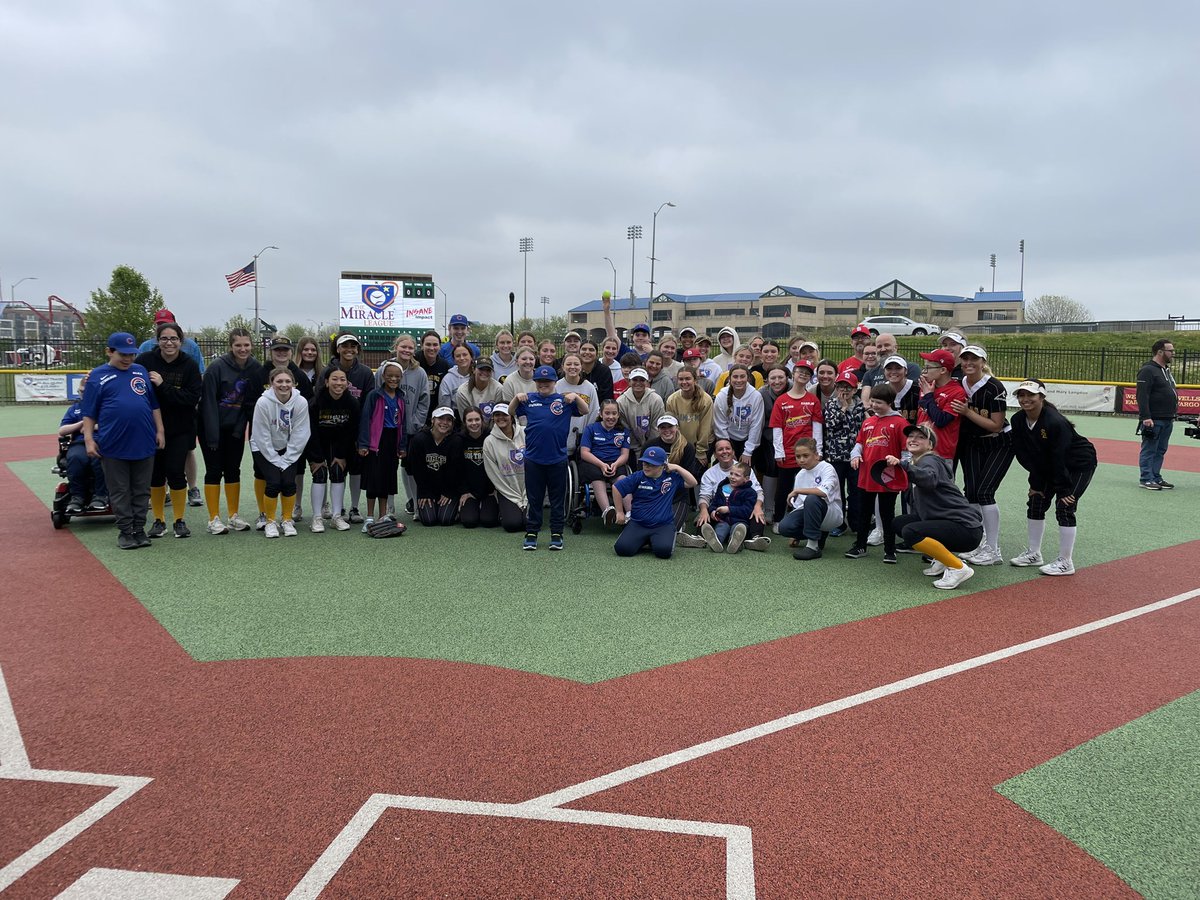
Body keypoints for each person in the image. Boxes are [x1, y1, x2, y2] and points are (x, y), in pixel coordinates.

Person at [81, 332, 165, 549]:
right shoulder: (97, 376)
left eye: (132, 354)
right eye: (123, 354)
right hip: (113, 443)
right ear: (109, 352)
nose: (128, 359)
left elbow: (153, 405)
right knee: (119, 491)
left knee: (141, 489)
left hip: (144, 441)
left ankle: (139, 529)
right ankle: (126, 532)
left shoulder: (140, 371)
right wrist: (89, 440)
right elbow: (89, 413)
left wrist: (160, 431)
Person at [1009, 379, 1098, 576]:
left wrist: (1064, 489)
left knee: (1065, 506)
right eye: (1021, 395)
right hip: (1051, 465)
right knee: (1036, 501)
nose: (1025, 399)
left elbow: (1059, 457)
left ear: (1041, 397)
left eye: (1030, 395)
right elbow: (1024, 454)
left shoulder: (1055, 421)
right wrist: (1036, 483)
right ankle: (1034, 553)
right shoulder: (1017, 420)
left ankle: (1066, 562)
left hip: (1078, 463)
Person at [893, 424, 984, 589]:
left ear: (930, 445)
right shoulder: (917, 463)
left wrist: (904, 466)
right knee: (900, 523)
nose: (914, 439)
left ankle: (957, 567)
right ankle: (942, 560)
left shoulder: (929, 460)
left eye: (921, 437)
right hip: (953, 523)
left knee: (910, 531)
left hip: (966, 529)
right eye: (911, 436)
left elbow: (929, 479)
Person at [136, 321, 202, 539]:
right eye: (164, 338)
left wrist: (164, 386)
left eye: (173, 338)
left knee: (175, 471)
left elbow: (191, 398)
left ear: (181, 341)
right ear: (158, 341)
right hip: (151, 427)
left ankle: (179, 520)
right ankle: (158, 520)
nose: (169, 343)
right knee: (156, 475)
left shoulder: (189, 365)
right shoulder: (145, 361)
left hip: (180, 427)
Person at [950, 346, 1015, 567]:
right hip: (973, 443)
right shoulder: (959, 384)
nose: (969, 363)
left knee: (985, 492)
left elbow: (996, 425)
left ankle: (993, 549)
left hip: (998, 443)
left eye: (974, 359)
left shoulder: (993, 386)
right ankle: (979, 542)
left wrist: (968, 412)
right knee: (972, 492)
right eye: (965, 359)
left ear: (983, 361)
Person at [513, 366, 589, 550]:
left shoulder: (563, 400)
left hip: (557, 458)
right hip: (534, 458)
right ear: (536, 383)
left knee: (557, 499)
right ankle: (532, 533)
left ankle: (557, 533)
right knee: (535, 498)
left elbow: (585, 410)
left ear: (555, 382)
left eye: (547, 382)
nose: (543, 385)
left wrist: (576, 396)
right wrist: (516, 398)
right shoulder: (529, 400)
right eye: (539, 382)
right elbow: (510, 412)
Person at [198, 328, 264, 534]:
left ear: (251, 345)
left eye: (246, 345)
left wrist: (239, 428)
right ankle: (213, 519)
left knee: (233, 470)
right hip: (212, 427)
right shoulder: (216, 368)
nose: (243, 349)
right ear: (231, 346)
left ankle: (233, 515)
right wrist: (212, 435)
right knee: (214, 470)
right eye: (238, 345)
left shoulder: (255, 368)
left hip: (236, 428)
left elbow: (251, 403)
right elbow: (207, 403)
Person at [844, 382, 909, 563]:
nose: (874, 405)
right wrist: (855, 456)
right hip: (866, 476)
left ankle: (889, 550)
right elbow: (859, 444)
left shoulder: (899, 423)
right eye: (872, 401)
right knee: (864, 513)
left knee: (887, 514)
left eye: (879, 402)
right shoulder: (868, 422)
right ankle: (860, 546)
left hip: (888, 477)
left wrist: (902, 464)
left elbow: (906, 452)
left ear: (890, 402)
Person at [250, 367, 311, 538]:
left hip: (288, 447)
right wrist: (275, 459)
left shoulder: (301, 402)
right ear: (271, 384)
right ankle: (270, 521)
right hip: (263, 447)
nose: (284, 385)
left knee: (289, 483)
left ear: (293, 383)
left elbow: (301, 433)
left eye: (287, 381)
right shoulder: (263, 403)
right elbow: (261, 435)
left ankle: (286, 520)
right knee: (273, 482)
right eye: (279, 381)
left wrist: (288, 458)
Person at [322, 332, 375, 523]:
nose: (349, 349)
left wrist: (364, 434)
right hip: (333, 429)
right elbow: (321, 399)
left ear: (358, 349)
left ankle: (354, 507)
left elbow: (369, 404)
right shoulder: (328, 371)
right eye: (345, 346)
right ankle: (338, 507)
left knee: (356, 470)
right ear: (338, 348)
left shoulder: (366, 373)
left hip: (357, 429)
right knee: (336, 469)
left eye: (353, 346)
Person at [375, 334, 429, 517]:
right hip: (388, 429)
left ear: (415, 350)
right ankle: (389, 507)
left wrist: (415, 422)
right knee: (388, 467)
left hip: (410, 429)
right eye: (403, 347)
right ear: (396, 347)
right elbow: (377, 397)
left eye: (410, 348)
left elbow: (424, 400)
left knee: (411, 466)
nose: (406, 351)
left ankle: (415, 504)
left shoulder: (419, 372)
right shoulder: (383, 370)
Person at [612, 445, 698, 559]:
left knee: (663, 552)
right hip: (638, 523)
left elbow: (693, 483)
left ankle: (665, 536)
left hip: (663, 525)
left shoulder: (672, 477)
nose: (647, 467)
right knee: (622, 549)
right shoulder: (638, 476)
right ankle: (647, 541)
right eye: (645, 463)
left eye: (652, 464)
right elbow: (616, 488)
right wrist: (619, 512)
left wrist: (677, 467)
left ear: (663, 466)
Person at [770, 358, 824, 528]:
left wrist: (818, 451)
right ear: (792, 373)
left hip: (807, 454)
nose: (803, 375)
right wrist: (779, 452)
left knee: (805, 487)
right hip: (787, 452)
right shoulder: (781, 400)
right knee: (784, 488)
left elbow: (817, 428)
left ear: (810, 378)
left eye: (807, 373)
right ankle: (779, 519)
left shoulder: (813, 400)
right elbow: (777, 428)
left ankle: (801, 520)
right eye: (800, 372)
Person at [305, 366, 359, 532]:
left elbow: (351, 431)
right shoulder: (315, 402)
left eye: (342, 379)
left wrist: (341, 455)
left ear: (347, 383)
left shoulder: (352, 402)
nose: (339, 383)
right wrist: (317, 458)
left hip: (340, 446)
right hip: (317, 445)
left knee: (337, 472)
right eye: (334, 379)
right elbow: (310, 431)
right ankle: (317, 517)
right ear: (327, 382)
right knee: (320, 474)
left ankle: (336, 516)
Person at [356, 361, 409, 532]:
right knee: (373, 480)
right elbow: (365, 420)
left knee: (387, 479)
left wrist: (402, 446)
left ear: (401, 378)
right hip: (376, 442)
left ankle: (382, 515)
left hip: (392, 442)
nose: (393, 379)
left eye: (397, 376)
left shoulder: (401, 397)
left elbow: (402, 424)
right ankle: (370, 517)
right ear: (383, 376)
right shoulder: (374, 395)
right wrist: (364, 443)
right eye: (390, 375)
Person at [778, 438, 844, 560]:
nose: (801, 460)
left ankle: (813, 547)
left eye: (805, 455)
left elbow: (823, 493)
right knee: (784, 527)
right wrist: (795, 535)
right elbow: (799, 506)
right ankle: (819, 536)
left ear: (816, 455)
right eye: (798, 456)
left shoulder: (827, 468)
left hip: (831, 513)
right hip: (810, 511)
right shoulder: (800, 475)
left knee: (812, 499)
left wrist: (797, 491)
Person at [821, 370, 866, 538]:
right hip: (835, 456)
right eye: (840, 386)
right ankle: (839, 523)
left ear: (855, 389)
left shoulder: (860, 405)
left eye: (848, 387)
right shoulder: (831, 404)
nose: (844, 391)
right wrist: (843, 409)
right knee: (836, 491)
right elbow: (831, 425)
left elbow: (862, 429)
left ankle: (856, 523)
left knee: (856, 491)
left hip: (855, 457)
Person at [696, 438, 766, 539]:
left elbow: (758, 491)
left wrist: (758, 506)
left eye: (727, 448)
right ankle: (700, 538)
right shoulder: (709, 474)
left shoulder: (745, 470)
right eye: (720, 449)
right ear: (715, 455)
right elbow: (705, 496)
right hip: (720, 514)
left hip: (741, 513)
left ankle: (755, 539)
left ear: (733, 452)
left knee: (757, 515)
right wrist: (704, 510)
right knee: (704, 517)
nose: (724, 451)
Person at [59, 373, 109, 514]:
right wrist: (81, 423)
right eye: (81, 391)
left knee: (98, 460)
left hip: (101, 442)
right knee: (75, 459)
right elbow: (62, 430)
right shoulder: (75, 409)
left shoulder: (105, 406)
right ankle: (77, 497)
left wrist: (91, 426)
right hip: (79, 444)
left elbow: (115, 424)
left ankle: (101, 495)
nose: (83, 394)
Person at [405, 407, 463, 527]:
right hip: (427, 489)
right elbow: (416, 469)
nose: (444, 422)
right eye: (440, 418)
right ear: (432, 420)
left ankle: (456, 508)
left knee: (445, 520)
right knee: (428, 521)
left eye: (449, 420)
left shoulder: (456, 441)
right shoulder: (419, 439)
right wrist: (424, 492)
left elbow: (456, 471)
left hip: (448, 489)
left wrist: (449, 492)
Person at [698, 460, 770, 553]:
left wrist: (729, 509)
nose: (732, 477)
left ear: (746, 479)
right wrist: (713, 511)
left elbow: (747, 510)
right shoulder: (722, 488)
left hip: (740, 521)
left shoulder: (749, 492)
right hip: (722, 520)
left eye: (737, 475)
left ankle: (735, 543)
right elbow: (714, 503)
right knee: (721, 528)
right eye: (731, 474)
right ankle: (715, 542)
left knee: (738, 529)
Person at [579, 399, 631, 525]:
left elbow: (625, 454)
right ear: (601, 414)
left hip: (615, 462)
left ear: (618, 415)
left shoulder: (624, 431)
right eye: (607, 413)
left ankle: (631, 513)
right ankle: (607, 512)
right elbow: (584, 453)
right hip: (595, 462)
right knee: (597, 478)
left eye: (614, 413)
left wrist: (616, 464)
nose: (611, 417)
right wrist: (601, 465)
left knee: (623, 480)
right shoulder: (591, 429)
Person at [644, 413, 700, 531]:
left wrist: (674, 467)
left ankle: (678, 526)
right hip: (655, 493)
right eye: (663, 427)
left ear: (677, 427)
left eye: (670, 426)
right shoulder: (650, 445)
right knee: (647, 525)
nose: (667, 430)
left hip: (677, 495)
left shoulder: (687, 447)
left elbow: (690, 478)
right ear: (658, 429)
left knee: (669, 529)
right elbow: (642, 472)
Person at [1136, 338, 1178, 490]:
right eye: (1170, 350)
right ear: (1160, 352)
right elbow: (1142, 395)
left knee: (1160, 449)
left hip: (1167, 418)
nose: (1173, 353)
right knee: (1149, 449)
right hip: (1154, 419)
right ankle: (1146, 478)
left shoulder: (1165, 370)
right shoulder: (1148, 370)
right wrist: (1146, 417)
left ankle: (1155, 476)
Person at [481, 403, 527, 532]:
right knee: (512, 524)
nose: (501, 418)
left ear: (511, 416)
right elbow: (493, 473)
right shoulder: (489, 441)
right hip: (507, 490)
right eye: (497, 415)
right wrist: (514, 497)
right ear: (493, 418)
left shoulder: (526, 432)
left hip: (529, 488)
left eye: (504, 414)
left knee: (530, 523)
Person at [753, 364, 789, 523]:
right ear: (767, 380)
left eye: (780, 377)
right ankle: (769, 508)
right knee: (771, 466)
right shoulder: (761, 394)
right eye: (773, 378)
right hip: (768, 436)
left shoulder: (795, 390)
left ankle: (789, 507)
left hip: (790, 436)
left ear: (787, 378)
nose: (777, 381)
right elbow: (759, 421)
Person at [916, 349, 967, 461]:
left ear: (943, 370)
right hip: (920, 450)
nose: (924, 371)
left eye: (928, 368)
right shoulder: (926, 385)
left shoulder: (957, 392)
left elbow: (941, 421)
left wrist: (928, 396)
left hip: (941, 454)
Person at [712, 365, 764, 466]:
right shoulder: (721, 396)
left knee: (745, 472)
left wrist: (748, 452)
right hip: (728, 438)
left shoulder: (756, 396)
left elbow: (756, 425)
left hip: (748, 439)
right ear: (730, 379)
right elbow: (720, 425)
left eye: (742, 376)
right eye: (735, 377)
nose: (739, 380)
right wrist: (728, 449)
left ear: (747, 378)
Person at [456, 407, 499, 528]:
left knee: (489, 521)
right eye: (470, 420)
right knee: (469, 522)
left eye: (477, 419)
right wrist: (464, 491)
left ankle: (485, 506)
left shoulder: (491, 437)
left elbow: (497, 465)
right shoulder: (459, 440)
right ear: (464, 422)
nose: (474, 423)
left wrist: (495, 489)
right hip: (470, 490)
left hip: (489, 490)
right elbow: (457, 470)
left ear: (482, 420)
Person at [666, 366, 715, 469]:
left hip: (701, 446)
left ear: (695, 380)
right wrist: (677, 447)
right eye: (681, 379)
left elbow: (705, 429)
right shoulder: (672, 400)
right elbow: (672, 427)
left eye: (688, 378)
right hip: (680, 445)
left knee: (697, 477)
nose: (684, 382)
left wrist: (701, 451)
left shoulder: (706, 400)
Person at [556, 353, 600, 453]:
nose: (572, 367)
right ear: (563, 367)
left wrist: (586, 436)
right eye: (569, 364)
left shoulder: (589, 387)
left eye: (576, 364)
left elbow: (594, 412)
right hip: (561, 439)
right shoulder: (557, 386)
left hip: (581, 440)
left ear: (581, 366)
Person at [616, 367, 666, 454]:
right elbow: (625, 428)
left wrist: (649, 447)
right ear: (629, 381)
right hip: (631, 446)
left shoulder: (656, 400)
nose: (638, 383)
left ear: (647, 382)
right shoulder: (621, 402)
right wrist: (636, 448)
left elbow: (656, 427)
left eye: (642, 380)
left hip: (653, 444)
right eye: (635, 379)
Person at [454, 355, 504, 423]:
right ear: (473, 370)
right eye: (481, 369)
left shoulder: (498, 388)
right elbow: (465, 420)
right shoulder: (462, 391)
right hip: (471, 428)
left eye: (488, 370)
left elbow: (499, 417)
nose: (485, 372)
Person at [418, 330, 450, 422]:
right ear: (422, 346)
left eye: (435, 345)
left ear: (440, 347)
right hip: (417, 410)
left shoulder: (444, 365)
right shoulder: (414, 361)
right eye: (428, 344)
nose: (432, 348)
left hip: (435, 411)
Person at [438, 343, 475, 412]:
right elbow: (445, 406)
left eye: (465, 355)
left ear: (471, 357)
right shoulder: (448, 379)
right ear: (454, 359)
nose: (462, 358)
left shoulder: (478, 375)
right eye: (458, 356)